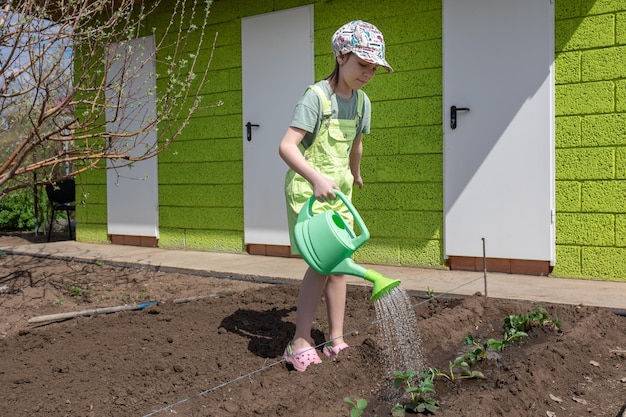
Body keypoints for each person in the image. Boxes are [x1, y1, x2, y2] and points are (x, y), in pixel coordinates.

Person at [278, 20, 393, 372]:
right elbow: (286, 146)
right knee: (322, 264)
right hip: (309, 191)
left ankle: (336, 338)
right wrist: (314, 177)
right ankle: (299, 340)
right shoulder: (316, 97)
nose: (367, 73)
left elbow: (355, 145)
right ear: (341, 56)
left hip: (339, 192)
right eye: (362, 65)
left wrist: (355, 173)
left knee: (339, 265)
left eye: (373, 68)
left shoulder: (362, 103)